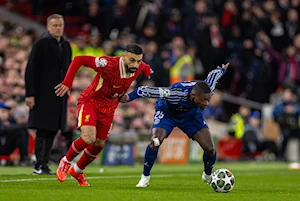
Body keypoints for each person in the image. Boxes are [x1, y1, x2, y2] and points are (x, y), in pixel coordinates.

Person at [55, 43, 152, 186]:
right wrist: (68, 82)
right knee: (88, 138)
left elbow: (146, 68)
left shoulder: (138, 66)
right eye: (132, 60)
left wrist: (149, 71)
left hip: (109, 108)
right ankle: (66, 161)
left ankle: (77, 170)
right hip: (91, 102)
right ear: (123, 56)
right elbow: (79, 59)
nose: (136, 65)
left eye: (138, 61)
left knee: (99, 144)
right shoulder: (107, 64)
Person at [119, 63, 229, 187]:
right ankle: (145, 177)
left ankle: (207, 175)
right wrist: (128, 97)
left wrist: (221, 69)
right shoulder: (175, 94)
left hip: (191, 117)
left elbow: (214, 75)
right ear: (193, 96)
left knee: (210, 149)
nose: (207, 103)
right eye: (204, 100)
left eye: (208, 99)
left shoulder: (207, 88)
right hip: (167, 114)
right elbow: (144, 90)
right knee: (155, 141)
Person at [25, 14, 72, 174]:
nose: (58, 28)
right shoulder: (41, 44)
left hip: (59, 95)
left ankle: (44, 163)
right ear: (48, 27)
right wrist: (30, 94)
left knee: (53, 129)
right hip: (42, 94)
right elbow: (31, 70)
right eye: (55, 25)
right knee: (42, 129)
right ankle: (39, 164)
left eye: (60, 25)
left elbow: (68, 71)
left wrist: (68, 85)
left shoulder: (66, 46)